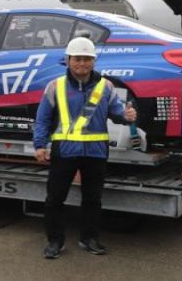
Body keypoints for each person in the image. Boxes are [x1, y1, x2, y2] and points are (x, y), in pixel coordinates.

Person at [33, 37, 137, 259]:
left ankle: (89, 239)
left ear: (94, 61)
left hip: (96, 152)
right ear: (68, 60)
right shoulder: (55, 86)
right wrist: (40, 145)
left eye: (87, 59)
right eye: (78, 59)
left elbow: (118, 114)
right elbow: (42, 120)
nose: (82, 63)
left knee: (92, 199)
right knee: (54, 199)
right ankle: (55, 241)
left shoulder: (106, 86)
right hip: (64, 151)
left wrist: (127, 117)